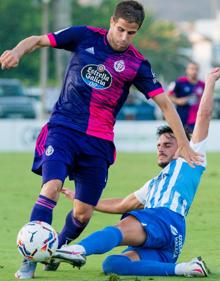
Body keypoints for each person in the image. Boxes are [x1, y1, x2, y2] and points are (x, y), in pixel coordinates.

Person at [0, 1, 201, 279]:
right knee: (51, 187)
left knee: (82, 214)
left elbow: (166, 106)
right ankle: (30, 260)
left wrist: (185, 145)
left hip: (98, 142)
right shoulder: (84, 36)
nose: (123, 38)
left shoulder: (137, 63)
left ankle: (56, 248)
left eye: (131, 33)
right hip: (64, 128)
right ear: (111, 22)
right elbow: (37, 40)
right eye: (120, 30)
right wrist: (17, 52)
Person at [53, 68, 220, 277]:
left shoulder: (191, 157)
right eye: (159, 145)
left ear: (183, 144)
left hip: (163, 218)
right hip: (174, 237)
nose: (161, 148)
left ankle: (77, 250)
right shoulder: (154, 185)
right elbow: (122, 204)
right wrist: (84, 201)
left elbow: (204, 116)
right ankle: (185, 268)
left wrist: (211, 81)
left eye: (168, 144)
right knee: (113, 264)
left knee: (117, 230)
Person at [168, 61, 205, 132]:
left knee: (193, 141)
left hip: (196, 119)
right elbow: (168, 96)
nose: (194, 71)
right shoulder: (179, 82)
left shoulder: (202, 84)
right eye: (192, 69)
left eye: (196, 69)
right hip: (181, 117)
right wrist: (178, 101)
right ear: (187, 70)